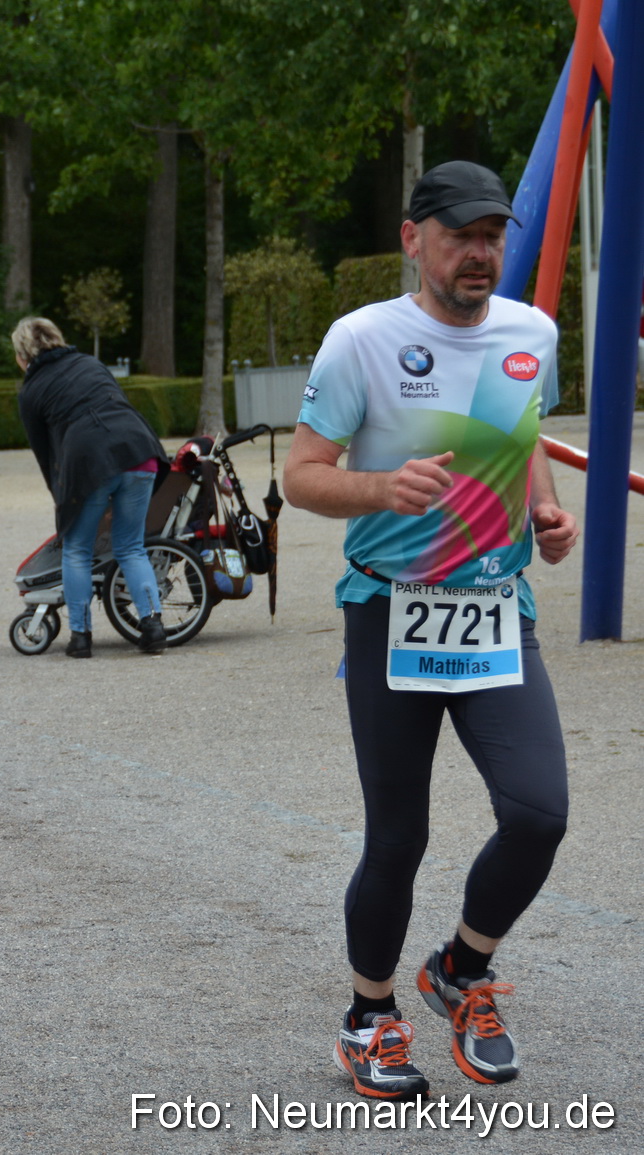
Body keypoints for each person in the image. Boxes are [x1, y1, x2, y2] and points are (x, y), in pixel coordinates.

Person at [282, 161, 578, 1101]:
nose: (481, 252)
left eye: (493, 234)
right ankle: (369, 1016)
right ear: (414, 238)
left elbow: (522, 434)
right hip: (390, 607)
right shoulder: (361, 339)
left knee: (539, 812)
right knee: (397, 834)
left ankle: (460, 967)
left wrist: (547, 509)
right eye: (461, 234)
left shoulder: (533, 331)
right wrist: (379, 488)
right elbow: (300, 474)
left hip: (496, 610)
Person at [14, 316, 169, 657]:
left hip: (88, 463)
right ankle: (153, 626)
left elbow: (45, 455)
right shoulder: (89, 362)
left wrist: (62, 501)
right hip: (139, 450)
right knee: (131, 546)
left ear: (22, 355)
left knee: (77, 549)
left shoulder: (31, 391)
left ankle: (81, 637)